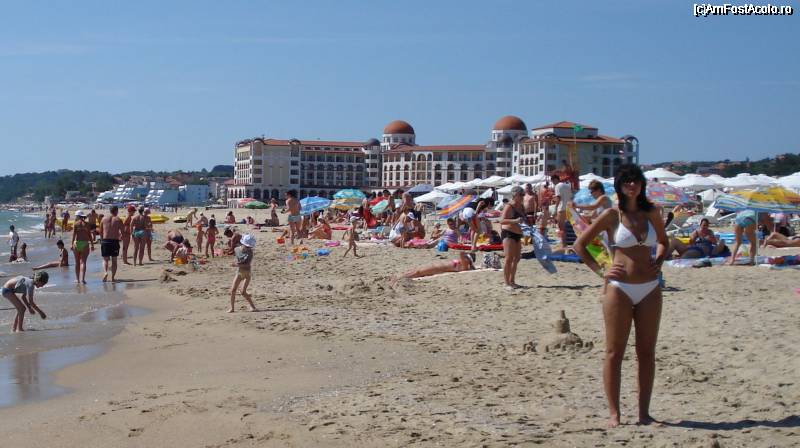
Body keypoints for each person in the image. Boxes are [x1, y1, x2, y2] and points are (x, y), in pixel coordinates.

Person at [573, 163, 668, 428]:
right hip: (619, 288)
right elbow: (580, 244)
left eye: (635, 180)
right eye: (627, 181)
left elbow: (664, 241)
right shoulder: (612, 215)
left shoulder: (652, 212)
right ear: (619, 185)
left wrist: (659, 260)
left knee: (646, 352)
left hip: (650, 287)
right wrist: (602, 270)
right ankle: (614, 414)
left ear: (642, 184)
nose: (632, 185)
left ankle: (644, 414)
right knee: (614, 352)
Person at [500, 186, 526, 289]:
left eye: (523, 194)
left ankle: (512, 281)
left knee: (517, 258)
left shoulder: (521, 206)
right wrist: (515, 221)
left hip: (517, 234)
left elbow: (523, 219)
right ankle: (506, 283)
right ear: (515, 195)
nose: (523, 196)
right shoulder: (509, 206)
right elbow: (502, 221)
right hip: (508, 233)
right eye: (521, 195)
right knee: (509, 258)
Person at [391, 252, 475, 284]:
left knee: (418, 272)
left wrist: (467, 256)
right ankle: (399, 276)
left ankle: (398, 279)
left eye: (466, 258)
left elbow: (461, 253)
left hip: (437, 269)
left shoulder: (464, 266)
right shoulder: (463, 263)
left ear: (468, 261)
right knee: (416, 270)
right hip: (435, 266)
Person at [228, 234, 257, 313]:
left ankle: (253, 307)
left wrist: (236, 265)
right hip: (239, 272)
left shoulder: (250, 252)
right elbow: (236, 254)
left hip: (247, 273)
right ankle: (232, 308)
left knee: (243, 292)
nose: (248, 248)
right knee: (233, 290)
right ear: (243, 243)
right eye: (247, 246)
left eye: (250, 247)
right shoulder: (237, 249)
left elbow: (248, 265)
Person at [99, 205, 124, 282]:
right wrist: (121, 237)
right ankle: (113, 278)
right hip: (114, 241)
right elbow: (122, 231)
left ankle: (105, 272)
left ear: (110, 211)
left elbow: (100, 231)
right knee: (114, 260)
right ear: (116, 211)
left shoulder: (103, 219)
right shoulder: (118, 219)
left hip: (105, 241)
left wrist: (102, 240)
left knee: (105, 259)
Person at [71, 210, 94, 284]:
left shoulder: (76, 224)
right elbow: (89, 235)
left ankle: (77, 280)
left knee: (77, 262)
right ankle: (83, 279)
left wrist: (71, 244)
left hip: (77, 243)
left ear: (78, 216)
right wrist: (92, 245)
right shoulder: (87, 224)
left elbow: (74, 235)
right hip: (85, 243)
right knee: (83, 262)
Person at [552, 174, 573, 247]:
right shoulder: (567, 186)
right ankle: (565, 243)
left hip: (561, 208)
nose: (553, 183)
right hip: (568, 208)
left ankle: (563, 244)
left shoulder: (557, 186)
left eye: (553, 181)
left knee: (561, 226)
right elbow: (571, 197)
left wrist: (555, 209)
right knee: (566, 226)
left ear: (555, 180)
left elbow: (558, 198)